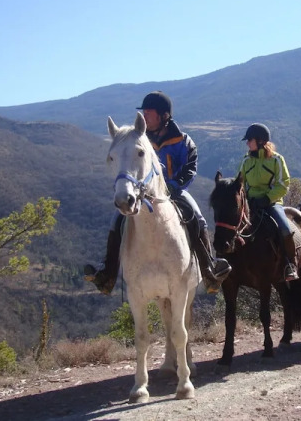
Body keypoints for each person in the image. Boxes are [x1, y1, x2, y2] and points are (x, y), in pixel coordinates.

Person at [84, 91, 232, 294]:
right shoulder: (138, 139)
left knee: (197, 217)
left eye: (148, 112)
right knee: (116, 220)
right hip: (143, 192)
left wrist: (174, 185)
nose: (144, 115)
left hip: (175, 191)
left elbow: (190, 168)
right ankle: (107, 274)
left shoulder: (183, 141)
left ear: (164, 116)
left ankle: (209, 270)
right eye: (143, 112)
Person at [238, 123, 299, 282]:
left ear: (260, 141)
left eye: (249, 140)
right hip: (250, 203)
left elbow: (283, 184)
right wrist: (245, 199)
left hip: (271, 203)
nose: (247, 143)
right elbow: (241, 183)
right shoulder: (246, 160)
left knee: (285, 229)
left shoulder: (277, 160)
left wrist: (267, 199)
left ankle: (290, 264)